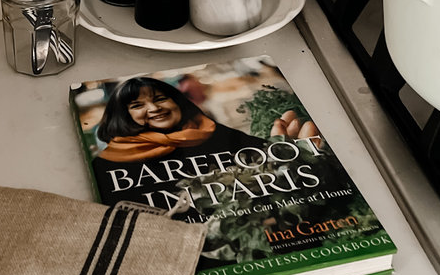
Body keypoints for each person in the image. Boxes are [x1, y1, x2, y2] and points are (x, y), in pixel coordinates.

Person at [90, 75, 319, 208]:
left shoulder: (208, 130)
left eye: (160, 99)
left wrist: (290, 156)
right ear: (123, 116)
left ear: (179, 102)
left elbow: (263, 157)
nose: (153, 108)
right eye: (137, 106)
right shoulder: (109, 162)